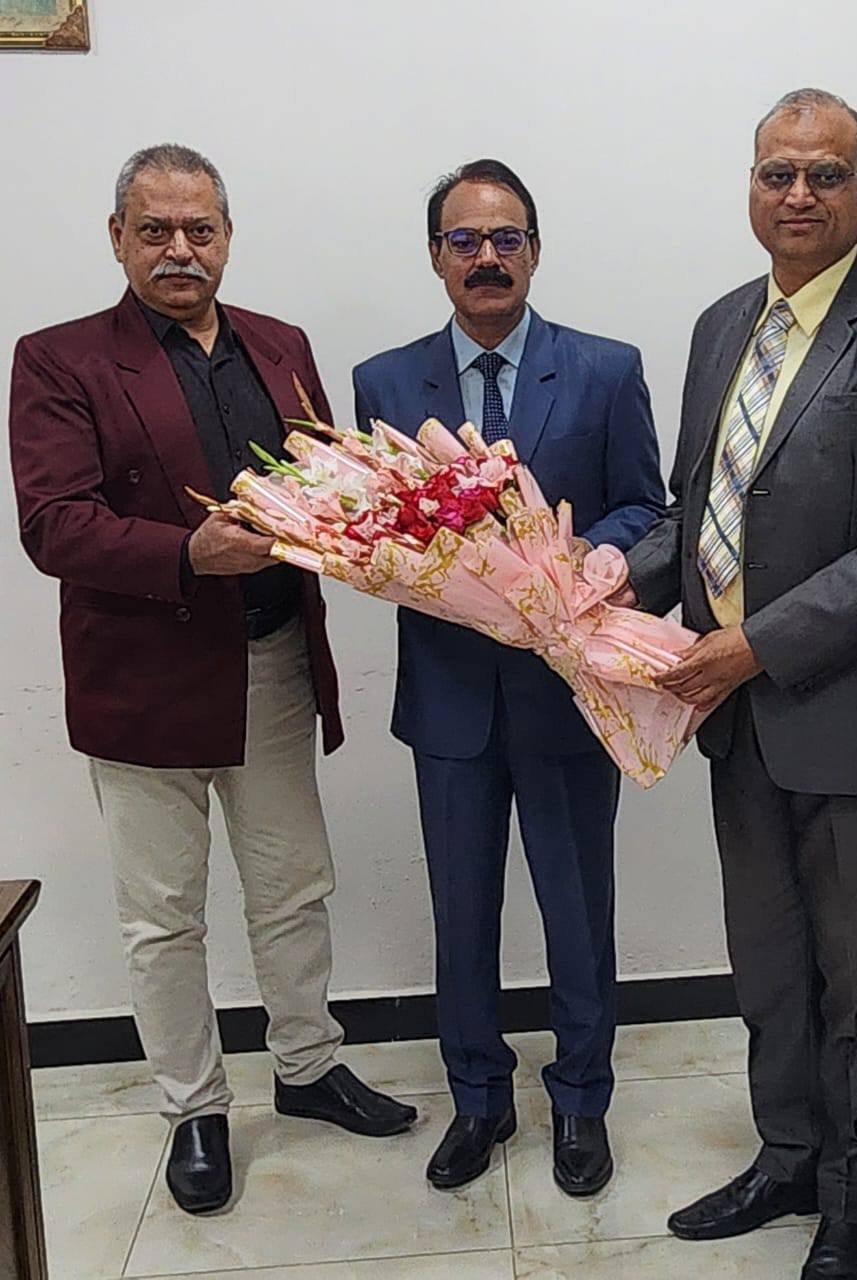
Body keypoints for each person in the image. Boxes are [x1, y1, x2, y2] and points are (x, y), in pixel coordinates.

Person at [619, 90, 857, 1279]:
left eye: (826, 174)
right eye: (777, 172)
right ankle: (788, 1154)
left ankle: (853, 1203)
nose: (798, 194)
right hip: (739, 723)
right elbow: (698, 510)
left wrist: (756, 645)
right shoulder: (721, 324)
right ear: (751, 186)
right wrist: (599, 576)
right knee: (770, 965)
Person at [8, 144, 416, 1216]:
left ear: (228, 236)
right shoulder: (58, 359)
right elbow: (53, 525)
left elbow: (324, 480)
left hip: (273, 661)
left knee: (294, 888)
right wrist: (189, 552)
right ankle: (193, 1107)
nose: (179, 249)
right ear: (119, 239)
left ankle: (307, 1065)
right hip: (144, 681)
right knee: (162, 917)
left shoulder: (281, 345)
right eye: (155, 230)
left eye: (199, 229)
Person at [353, 159, 666, 1195]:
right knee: (461, 914)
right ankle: (478, 1098)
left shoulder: (605, 368)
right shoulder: (383, 382)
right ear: (435, 255)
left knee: (579, 911)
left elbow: (645, 503)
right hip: (448, 699)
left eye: (506, 238)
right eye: (464, 240)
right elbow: (376, 529)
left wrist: (583, 559)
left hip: (568, 691)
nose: (486, 257)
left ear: (534, 250)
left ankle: (581, 1099)